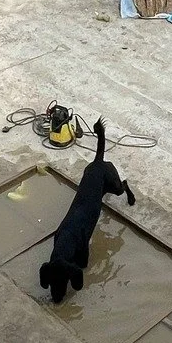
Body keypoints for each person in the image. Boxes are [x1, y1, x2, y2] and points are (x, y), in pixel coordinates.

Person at [40, 119, 135, 303]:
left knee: (116, 190)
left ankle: (124, 187)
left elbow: (82, 264)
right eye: (56, 286)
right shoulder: (61, 241)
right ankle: (100, 138)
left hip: (101, 173)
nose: (57, 291)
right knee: (93, 195)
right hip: (91, 176)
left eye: (56, 286)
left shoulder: (76, 243)